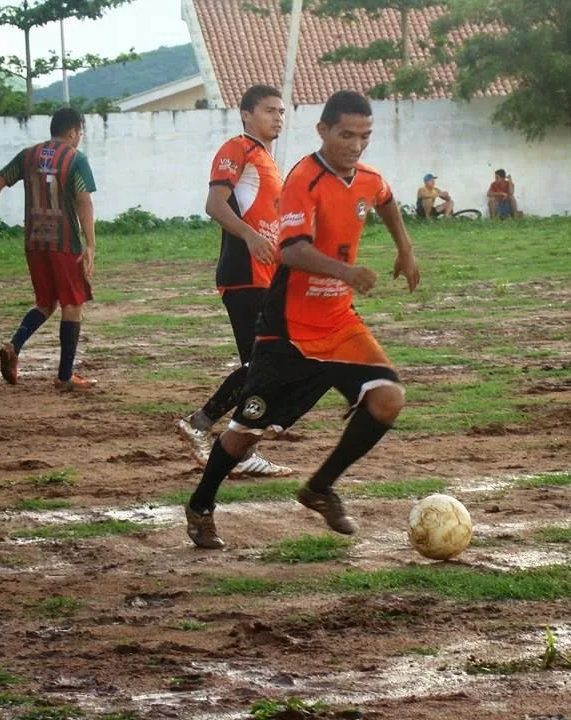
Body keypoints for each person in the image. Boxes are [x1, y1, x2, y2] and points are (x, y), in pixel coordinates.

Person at [184, 90, 421, 549]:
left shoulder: (368, 178)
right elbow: (292, 251)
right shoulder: (303, 178)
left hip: (339, 322)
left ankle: (320, 487)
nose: (356, 145)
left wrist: (405, 250)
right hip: (288, 330)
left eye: (365, 136)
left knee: (388, 399)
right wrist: (345, 272)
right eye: (346, 135)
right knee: (245, 431)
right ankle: (201, 504)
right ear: (323, 131)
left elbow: (387, 199)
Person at [175, 85, 291, 478]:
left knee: (264, 365)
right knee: (262, 365)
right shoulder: (237, 148)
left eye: (281, 111)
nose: (277, 117)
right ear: (245, 114)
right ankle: (202, 425)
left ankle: (234, 445)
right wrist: (250, 236)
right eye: (269, 110)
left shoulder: (268, 161)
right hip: (243, 273)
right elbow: (214, 205)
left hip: (264, 275)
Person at [0, 108, 97, 391]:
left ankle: (14, 346)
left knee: (46, 302)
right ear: (73, 132)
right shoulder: (76, 159)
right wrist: (90, 244)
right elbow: (84, 201)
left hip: (34, 242)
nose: (80, 138)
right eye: (80, 133)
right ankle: (65, 376)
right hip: (64, 243)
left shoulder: (28, 155)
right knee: (72, 305)